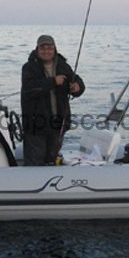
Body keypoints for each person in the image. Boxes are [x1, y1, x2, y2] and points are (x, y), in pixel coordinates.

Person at [21, 34, 85, 166]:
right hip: (36, 125)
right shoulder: (29, 67)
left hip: (58, 123)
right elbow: (29, 89)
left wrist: (77, 87)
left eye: (49, 48)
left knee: (52, 160)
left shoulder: (63, 66)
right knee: (35, 162)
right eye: (43, 48)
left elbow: (77, 81)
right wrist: (53, 81)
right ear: (37, 49)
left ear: (54, 49)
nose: (46, 51)